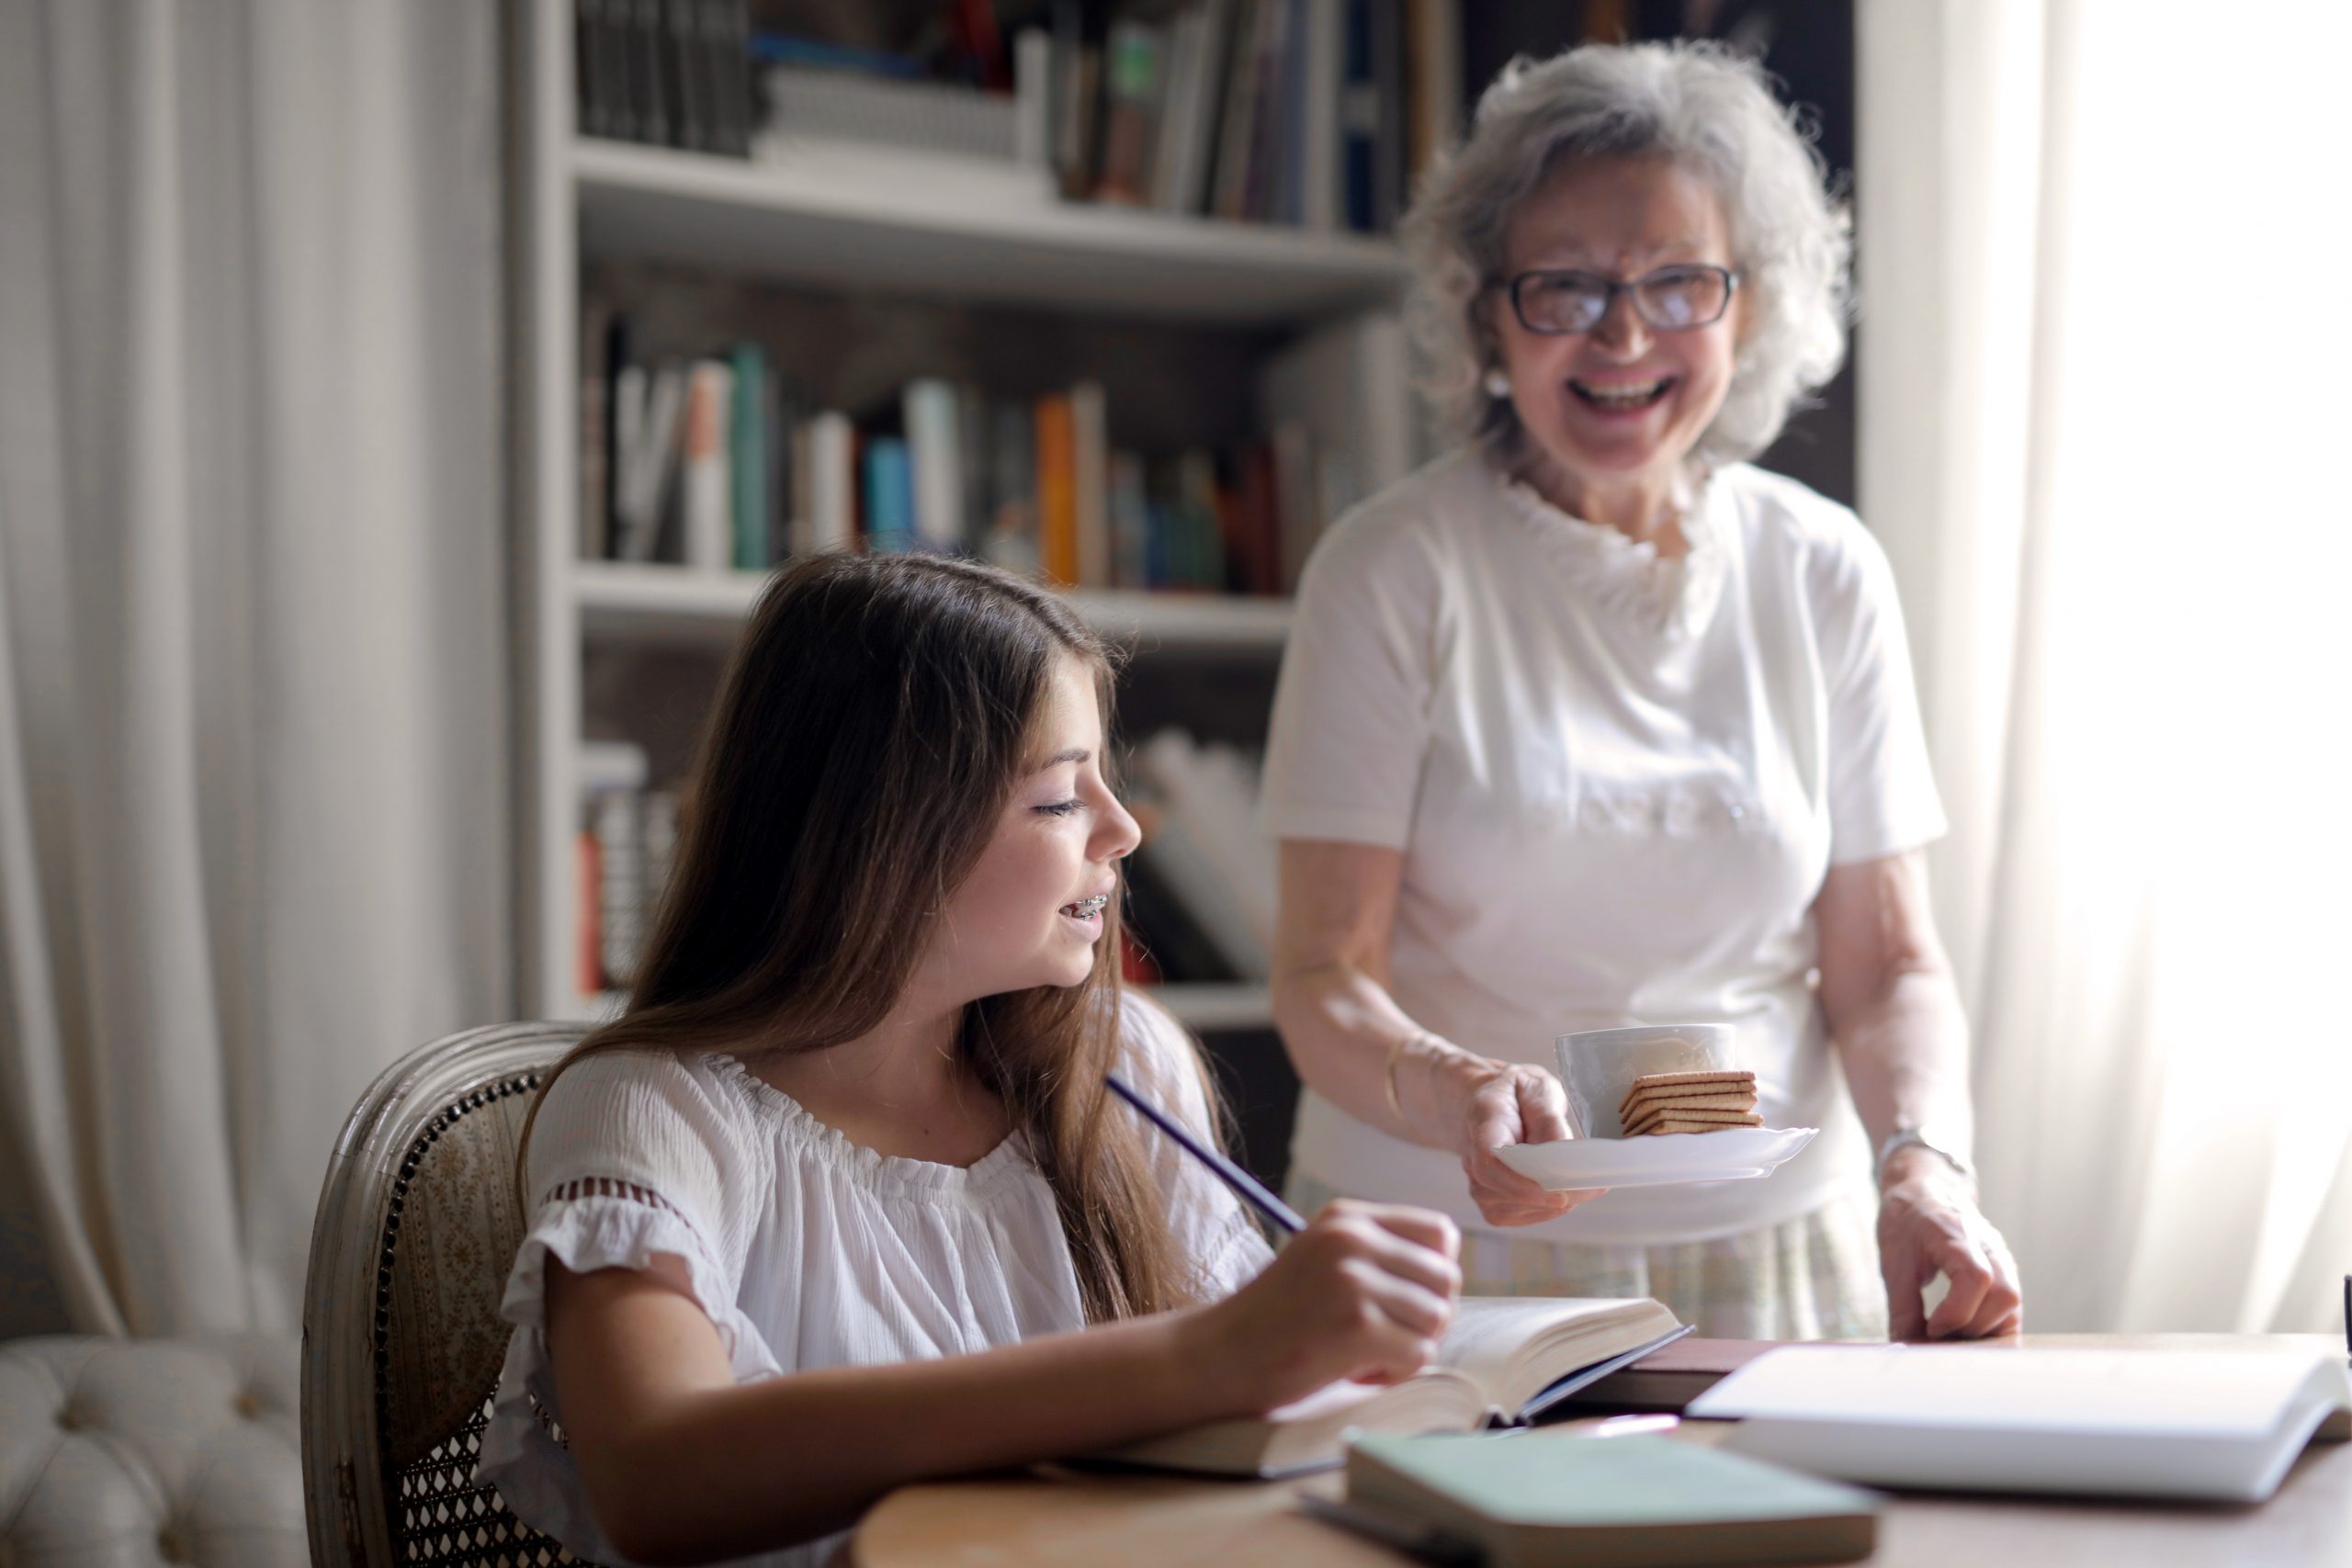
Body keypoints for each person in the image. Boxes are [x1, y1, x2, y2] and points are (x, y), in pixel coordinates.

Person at [478, 553, 1462, 1568]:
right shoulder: (657, 1114)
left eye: (1104, 782)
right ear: (881, 835)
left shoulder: (1123, 1068)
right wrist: (1202, 1359)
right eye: (1056, 800)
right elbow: (655, 1477)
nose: (1123, 830)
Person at [1260, 40, 2021, 1343]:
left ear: (1750, 305)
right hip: (1439, 1244)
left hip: (1778, 1240)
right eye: (1564, 286)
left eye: (1679, 281)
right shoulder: (1389, 570)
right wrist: (1454, 1091)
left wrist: (1923, 1161)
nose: (1622, 334)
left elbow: (1889, 961)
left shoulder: (1823, 566)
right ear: (1485, 310)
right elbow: (1325, 972)